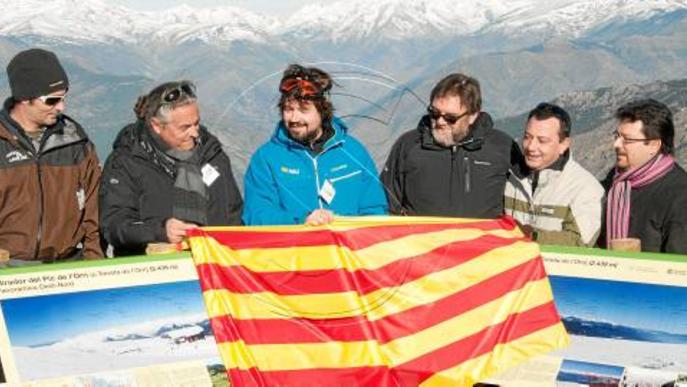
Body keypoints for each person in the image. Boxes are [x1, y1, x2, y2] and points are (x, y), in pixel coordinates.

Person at [99, 81, 243, 256]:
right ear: (157, 126)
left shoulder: (213, 157)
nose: (195, 133)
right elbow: (114, 226)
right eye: (185, 127)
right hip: (153, 272)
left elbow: (233, 215)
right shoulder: (126, 162)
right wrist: (160, 230)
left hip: (212, 266)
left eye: (196, 123)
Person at [242, 64, 387, 226]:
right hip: (295, 250)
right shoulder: (266, 158)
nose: (294, 118)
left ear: (323, 111)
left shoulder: (353, 152)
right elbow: (256, 215)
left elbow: (375, 210)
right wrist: (301, 220)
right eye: (288, 109)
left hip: (346, 249)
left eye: (304, 110)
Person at [0, 48, 103, 265]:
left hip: (68, 265)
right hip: (8, 270)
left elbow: (93, 214)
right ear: (24, 98)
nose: (61, 107)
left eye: (64, 98)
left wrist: (95, 265)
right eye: (52, 100)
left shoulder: (75, 141)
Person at [381, 73, 523, 218]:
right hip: (423, 240)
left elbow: (526, 198)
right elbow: (386, 203)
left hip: (484, 239)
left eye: (450, 118)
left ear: (473, 115)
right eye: (434, 113)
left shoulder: (503, 147)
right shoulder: (408, 146)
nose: (440, 122)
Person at [504, 103, 604, 246]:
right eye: (527, 137)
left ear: (563, 144)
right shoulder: (509, 177)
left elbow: (579, 242)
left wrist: (530, 236)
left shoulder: (586, 188)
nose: (531, 147)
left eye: (542, 141)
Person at [600, 99, 687, 254]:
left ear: (654, 145)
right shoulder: (612, 184)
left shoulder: (680, 195)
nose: (616, 145)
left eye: (627, 139)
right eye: (617, 136)